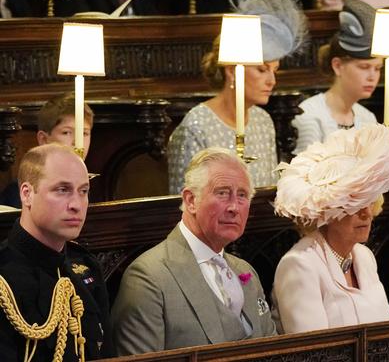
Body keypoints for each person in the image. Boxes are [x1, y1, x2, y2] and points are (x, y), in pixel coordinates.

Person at [111, 147, 276, 354]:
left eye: (242, 195)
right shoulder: (148, 277)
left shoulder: (247, 272)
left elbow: (273, 351)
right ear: (191, 201)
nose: (234, 207)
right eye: (222, 193)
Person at [272, 124, 389, 333]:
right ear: (327, 210)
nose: (366, 214)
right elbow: (313, 351)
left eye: (369, 202)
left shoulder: (364, 256)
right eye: (354, 205)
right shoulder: (300, 264)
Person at [167, 0, 307, 192]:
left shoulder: (263, 121)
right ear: (232, 71)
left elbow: (269, 190)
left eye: (275, 70)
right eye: (262, 70)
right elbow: (182, 200)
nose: (272, 80)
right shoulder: (197, 126)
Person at [0, 143, 114, 360]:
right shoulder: (4, 276)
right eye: (62, 190)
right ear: (27, 194)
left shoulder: (86, 266)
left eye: (83, 191)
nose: (76, 205)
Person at [292, 0, 381, 154]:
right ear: (338, 66)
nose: (372, 76)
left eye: (378, 68)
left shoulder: (367, 118)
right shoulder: (310, 114)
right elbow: (303, 172)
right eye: (364, 67)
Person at [0, 94, 94, 208]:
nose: (77, 141)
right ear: (43, 139)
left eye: (84, 133)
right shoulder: (17, 192)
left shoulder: (91, 187)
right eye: (66, 132)